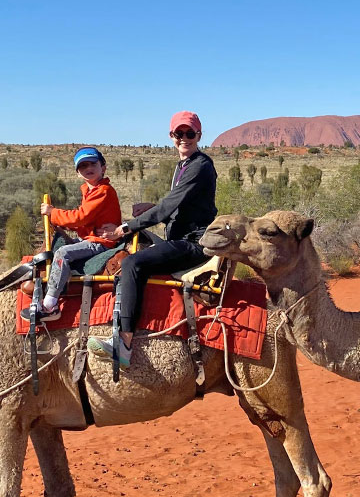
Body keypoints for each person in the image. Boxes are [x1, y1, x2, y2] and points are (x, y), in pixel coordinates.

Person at [88, 111, 218, 369]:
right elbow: (178, 205)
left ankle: (123, 343)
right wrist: (151, 208)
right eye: (179, 133)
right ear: (171, 137)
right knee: (133, 248)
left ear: (199, 136)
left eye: (189, 133)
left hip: (192, 244)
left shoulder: (200, 165)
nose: (184, 138)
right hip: (180, 237)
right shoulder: (183, 165)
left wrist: (125, 227)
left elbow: (169, 206)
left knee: (132, 264)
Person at [22, 147, 121, 322]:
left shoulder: (103, 191)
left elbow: (80, 218)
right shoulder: (91, 191)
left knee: (62, 253)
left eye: (92, 163)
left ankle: (50, 305)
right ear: (78, 173)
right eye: (83, 166)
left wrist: (53, 213)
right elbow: (85, 221)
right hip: (91, 237)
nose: (88, 168)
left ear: (103, 167)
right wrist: (59, 222)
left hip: (99, 242)